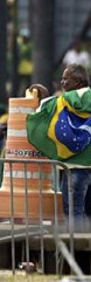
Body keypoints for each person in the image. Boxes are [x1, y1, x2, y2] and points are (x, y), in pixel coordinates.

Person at [59, 63, 91, 229]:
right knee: (85, 210)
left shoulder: (73, 99)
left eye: (66, 79)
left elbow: (63, 101)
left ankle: (77, 251)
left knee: (73, 210)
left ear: (78, 82)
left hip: (76, 164)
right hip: (86, 164)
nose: (62, 83)